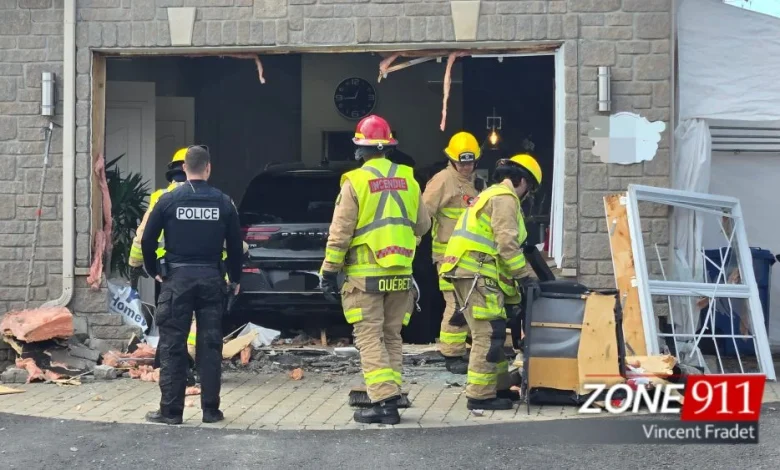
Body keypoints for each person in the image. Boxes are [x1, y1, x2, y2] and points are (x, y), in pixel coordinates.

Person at [320, 115, 431, 425]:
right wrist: (406, 244)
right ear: (388, 149)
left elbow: (341, 231)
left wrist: (329, 270)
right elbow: (423, 224)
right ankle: (393, 393)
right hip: (400, 273)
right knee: (392, 335)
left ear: (359, 150)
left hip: (365, 275)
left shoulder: (355, 181)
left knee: (369, 337)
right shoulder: (409, 178)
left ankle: (383, 403)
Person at [141, 145, 243, 425]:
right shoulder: (224, 202)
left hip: (177, 281)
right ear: (208, 168)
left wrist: (154, 270)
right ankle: (211, 410)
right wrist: (235, 279)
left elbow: (147, 240)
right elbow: (235, 247)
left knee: (173, 346)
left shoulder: (169, 200)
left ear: (184, 168)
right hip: (212, 280)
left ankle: (171, 412)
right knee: (210, 345)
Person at [439, 154, 541, 411]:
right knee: (487, 335)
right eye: (529, 188)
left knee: (493, 331)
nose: (527, 194)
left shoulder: (489, 194)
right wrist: (526, 278)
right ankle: (480, 395)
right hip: (476, 273)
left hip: (469, 272)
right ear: (521, 180)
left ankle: (499, 386)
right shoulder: (505, 199)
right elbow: (506, 245)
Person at [422, 131, 485, 375]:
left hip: (471, 257)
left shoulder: (476, 183)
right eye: (462, 162)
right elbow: (423, 214)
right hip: (448, 257)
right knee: (456, 302)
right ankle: (451, 352)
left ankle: (461, 347)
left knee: (468, 302)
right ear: (451, 159)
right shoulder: (443, 181)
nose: (466, 167)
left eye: (469, 162)